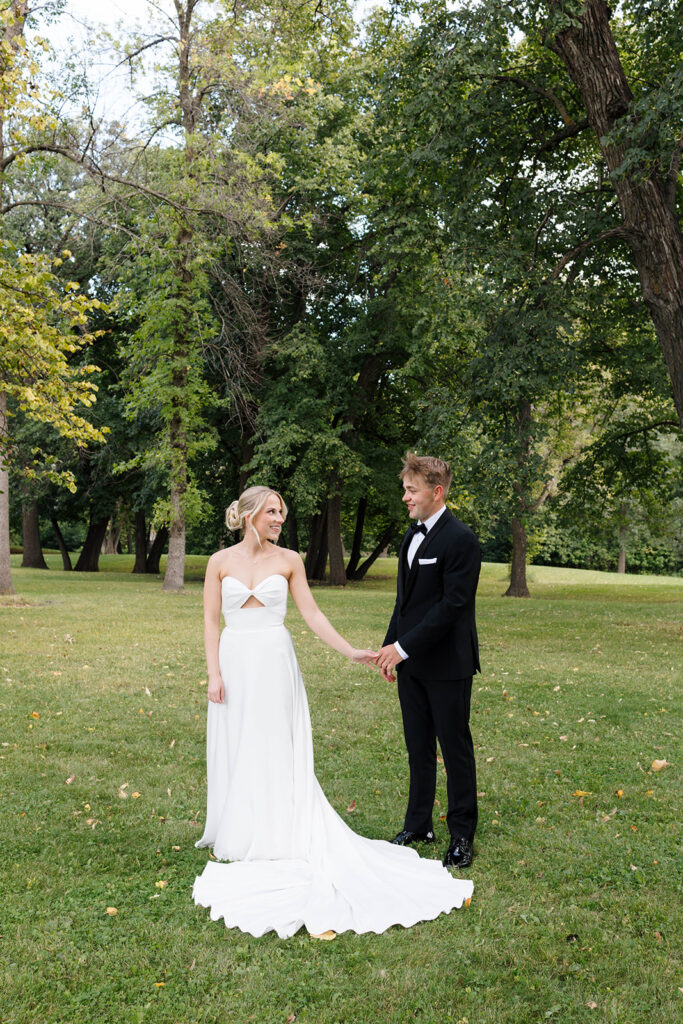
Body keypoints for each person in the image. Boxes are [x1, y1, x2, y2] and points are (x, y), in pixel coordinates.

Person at [193, 485, 473, 938]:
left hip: (274, 662)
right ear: (248, 516)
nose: (279, 519)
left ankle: (282, 828)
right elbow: (210, 620)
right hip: (233, 661)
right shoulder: (218, 563)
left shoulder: (289, 561)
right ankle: (241, 828)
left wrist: (350, 651)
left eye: (282, 513)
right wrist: (213, 674)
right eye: (271, 512)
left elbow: (313, 615)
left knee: (275, 745)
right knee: (240, 742)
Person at [376, 454, 481, 869]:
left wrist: (402, 648)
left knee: (454, 749)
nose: (405, 497)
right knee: (417, 747)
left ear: (436, 492)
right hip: (411, 663)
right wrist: (388, 650)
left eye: (411, 490)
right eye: (405, 489)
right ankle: (418, 824)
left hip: (448, 664)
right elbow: (406, 603)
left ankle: (461, 835)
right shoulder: (410, 536)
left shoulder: (461, 540)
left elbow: (451, 606)